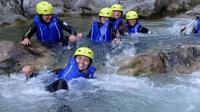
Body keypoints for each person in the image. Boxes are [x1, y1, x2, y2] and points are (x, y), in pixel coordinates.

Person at [22, 47, 96, 92]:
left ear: (89, 63)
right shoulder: (59, 71)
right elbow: (40, 77)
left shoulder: (91, 79)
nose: (82, 62)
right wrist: (30, 73)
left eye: (86, 60)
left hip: (70, 97)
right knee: (62, 82)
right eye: (79, 58)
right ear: (74, 59)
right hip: (48, 92)